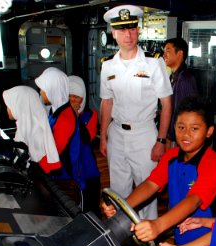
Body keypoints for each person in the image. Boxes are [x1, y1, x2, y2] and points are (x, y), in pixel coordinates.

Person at [102, 96, 216, 246]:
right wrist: (121, 206)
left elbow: (194, 199)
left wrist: (158, 226)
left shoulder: (214, 163)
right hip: (179, 245)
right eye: (180, 127)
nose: (186, 134)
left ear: (209, 131)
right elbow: (151, 184)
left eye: (195, 129)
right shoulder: (171, 156)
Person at [99, 4, 172, 221]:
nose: (128, 35)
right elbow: (107, 102)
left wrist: (161, 139)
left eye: (132, 29)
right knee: (118, 190)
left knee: (146, 191)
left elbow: (166, 104)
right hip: (117, 135)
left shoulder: (153, 62)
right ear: (113, 33)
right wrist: (103, 136)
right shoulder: (108, 66)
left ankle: (147, 237)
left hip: (145, 135)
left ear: (138, 30)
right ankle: (121, 235)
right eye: (122, 30)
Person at [35, 67, 83, 189]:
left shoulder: (64, 119)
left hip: (64, 178)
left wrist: (34, 163)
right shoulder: (55, 111)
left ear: (52, 90)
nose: (40, 92)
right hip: (58, 174)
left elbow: (55, 152)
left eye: (42, 89)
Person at [2, 85, 61, 174]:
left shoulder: (35, 135)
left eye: (8, 106)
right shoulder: (26, 128)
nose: (7, 109)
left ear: (19, 105)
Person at [69, 75, 101, 217]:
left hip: (87, 168)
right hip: (70, 167)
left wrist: (74, 116)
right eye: (69, 96)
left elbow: (87, 137)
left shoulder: (91, 115)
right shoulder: (60, 115)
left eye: (76, 96)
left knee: (91, 204)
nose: (72, 100)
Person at [163, 37, 198, 149]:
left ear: (179, 54)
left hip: (178, 138)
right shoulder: (175, 75)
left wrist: (170, 136)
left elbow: (183, 112)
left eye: (168, 51)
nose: (164, 55)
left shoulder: (184, 79)